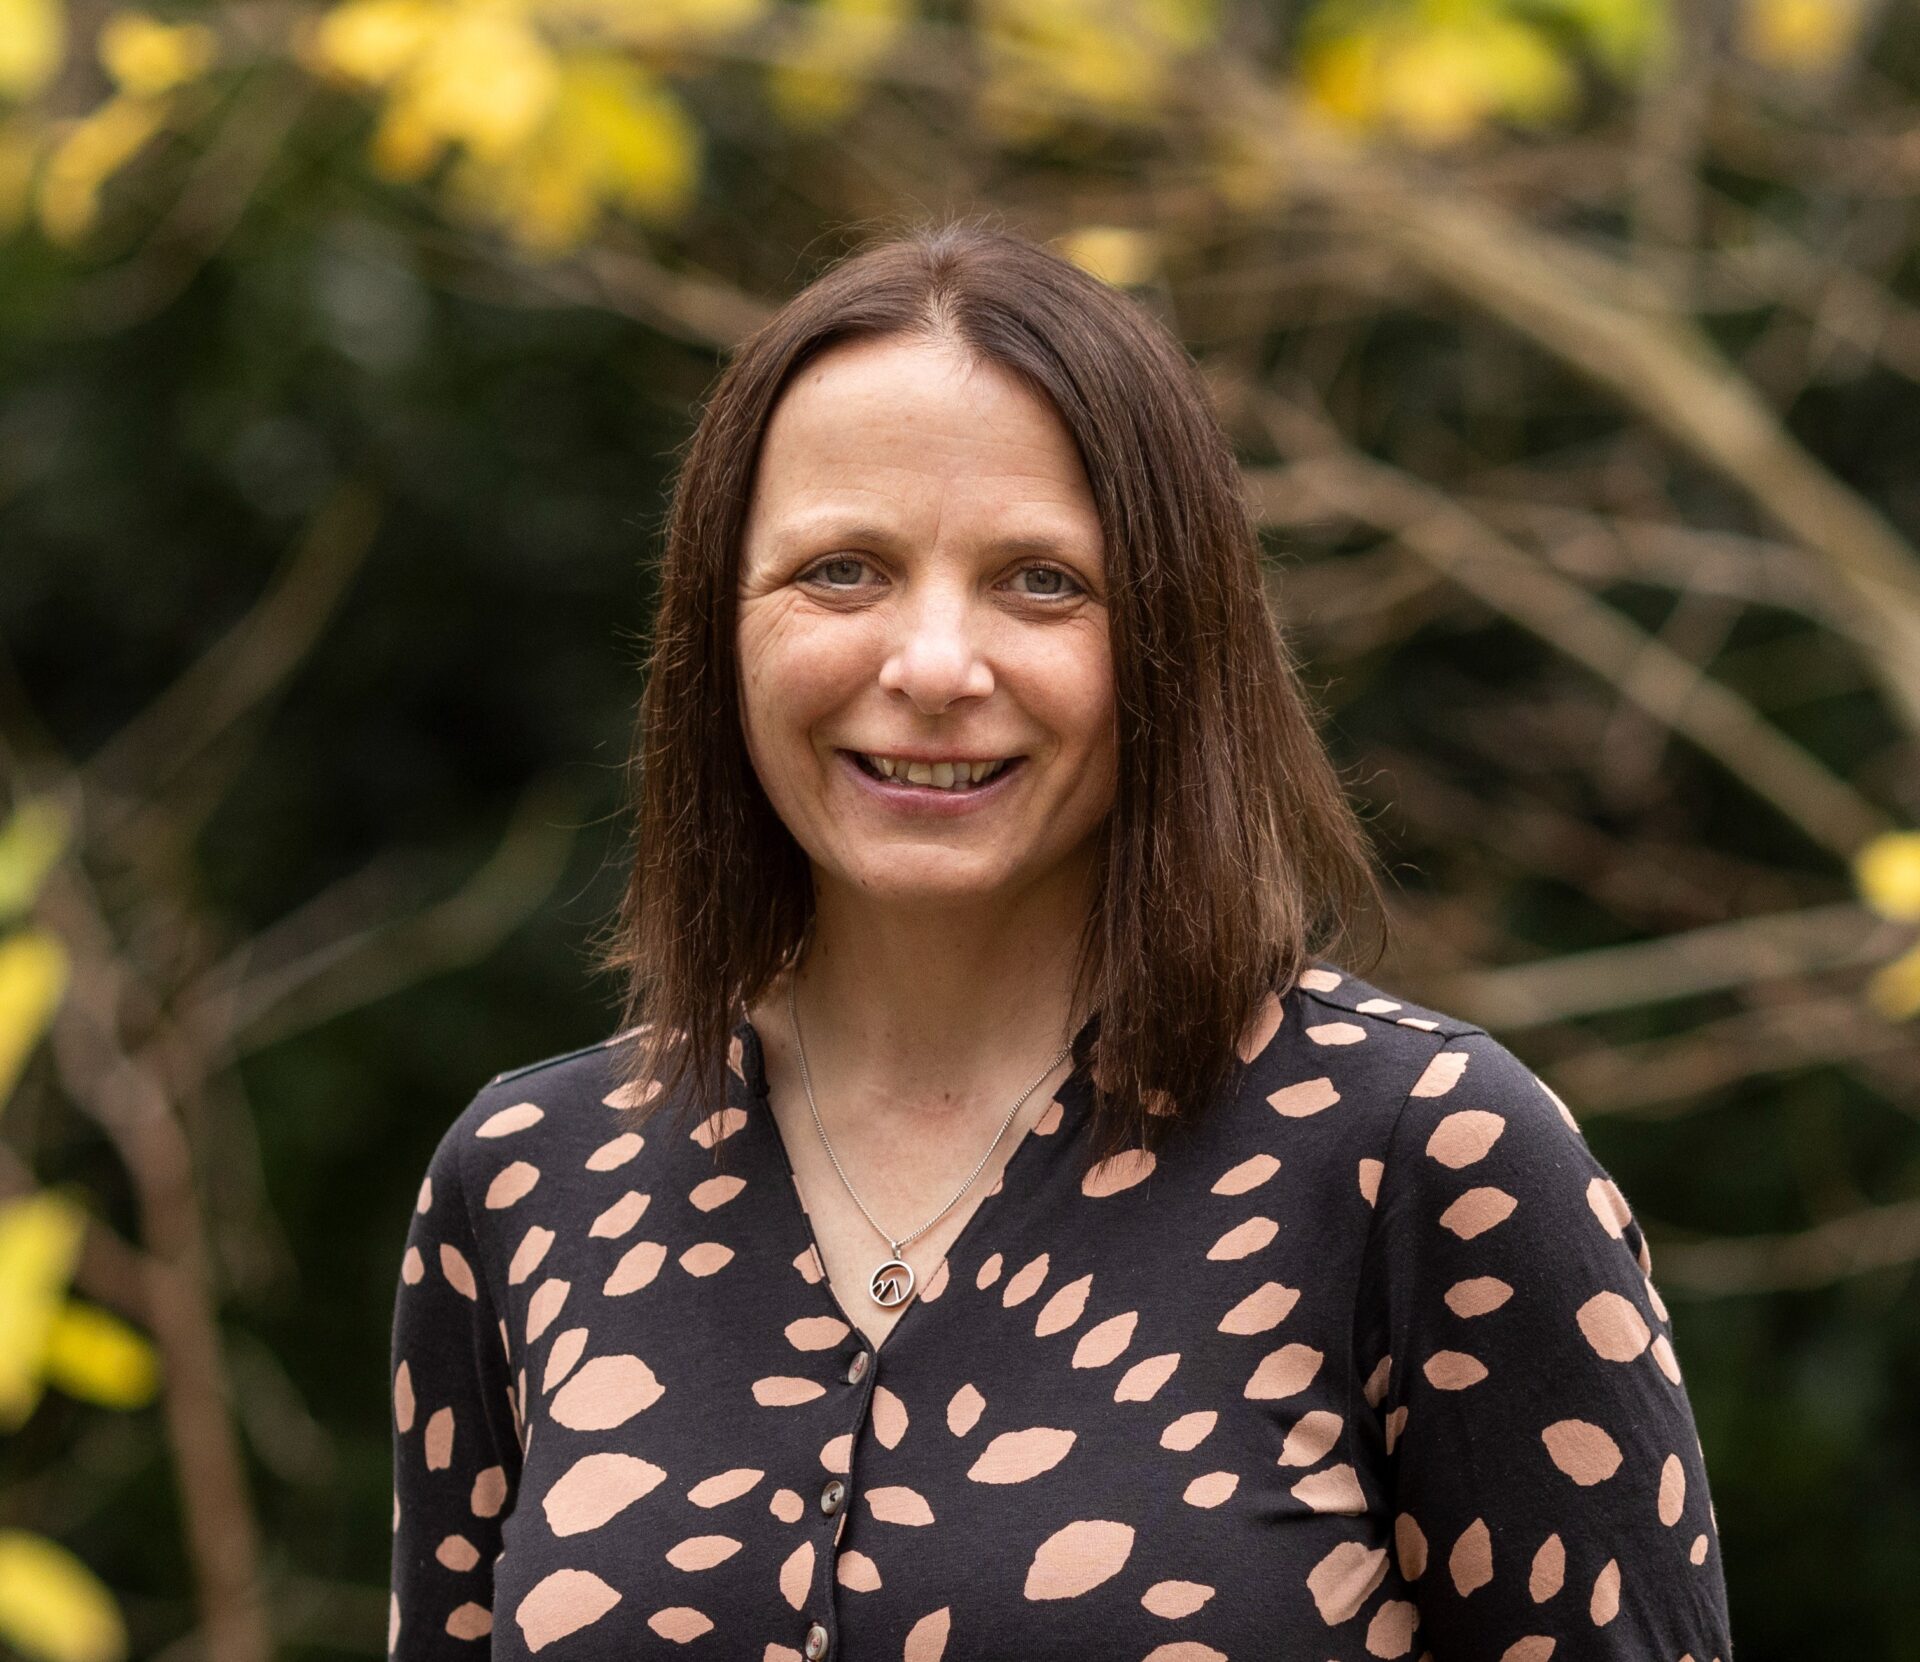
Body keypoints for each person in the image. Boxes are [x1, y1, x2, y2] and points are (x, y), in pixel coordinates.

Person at [387, 221, 1735, 1662]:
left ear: (1173, 638)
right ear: (717, 630)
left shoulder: (1425, 1164)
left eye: (1041, 580)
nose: (932, 666)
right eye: (842, 570)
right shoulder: (530, 1181)